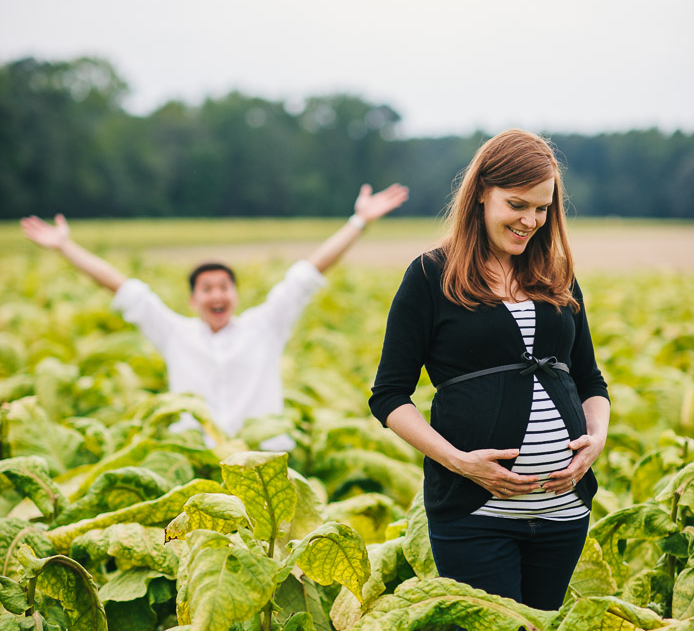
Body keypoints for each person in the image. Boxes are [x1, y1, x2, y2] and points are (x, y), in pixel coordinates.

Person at [369, 129, 609, 631]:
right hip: (476, 516)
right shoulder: (431, 275)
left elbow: (590, 377)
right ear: (481, 194)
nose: (530, 221)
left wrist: (595, 439)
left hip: (563, 513)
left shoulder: (556, 274)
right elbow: (389, 396)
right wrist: (459, 461)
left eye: (543, 209)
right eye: (517, 205)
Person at [21, 182, 408, 446]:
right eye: (206, 289)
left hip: (264, 457)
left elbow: (309, 272)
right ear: (193, 300)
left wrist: (359, 222)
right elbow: (121, 286)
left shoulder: (265, 325)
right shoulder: (175, 333)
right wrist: (64, 247)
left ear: (235, 295)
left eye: (223, 286)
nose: (216, 294)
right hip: (198, 458)